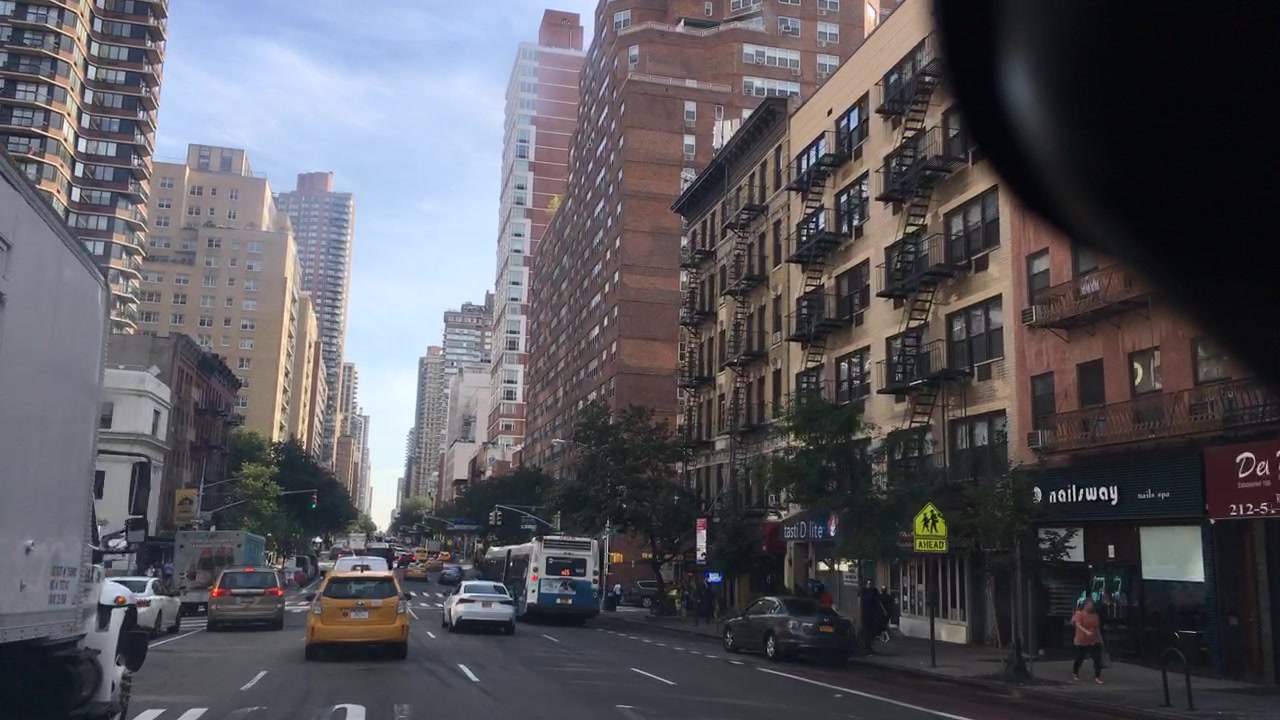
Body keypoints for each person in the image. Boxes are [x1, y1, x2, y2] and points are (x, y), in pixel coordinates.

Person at [1072, 599, 1105, 684]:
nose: (1091, 607)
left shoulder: (1095, 615)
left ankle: (1097, 677)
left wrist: (1100, 639)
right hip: (1082, 640)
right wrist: (1086, 631)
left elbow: (1097, 628)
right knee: (1080, 657)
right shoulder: (1079, 614)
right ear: (1085, 605)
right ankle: (1075, 672)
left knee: (1097, 659)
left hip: (1094, 640)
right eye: (1089, 605)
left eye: (1092, 605)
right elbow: (1078, 624)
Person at [860, 581, 884, 654]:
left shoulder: (874, 591)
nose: (869, 585)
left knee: (871, 632)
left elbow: (878, 601)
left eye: (871, 584)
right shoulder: (864, 591)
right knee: (866, 631)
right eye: (868, 584)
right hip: (865, 614)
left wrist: (882, 610)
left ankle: (869, 647)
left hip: (873, 614)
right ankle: (866, 648)